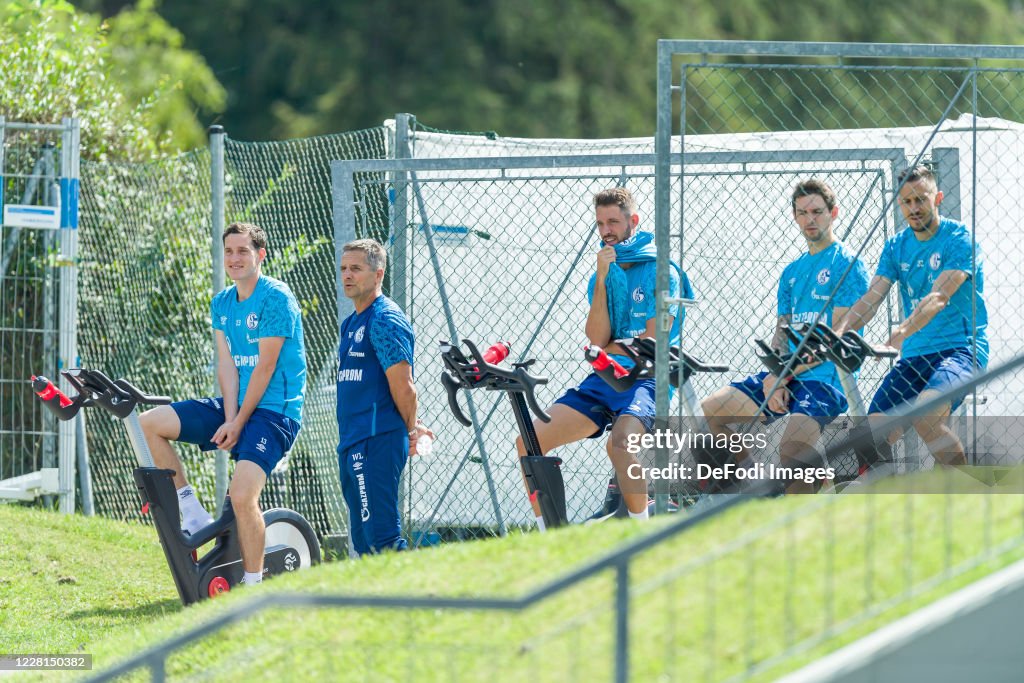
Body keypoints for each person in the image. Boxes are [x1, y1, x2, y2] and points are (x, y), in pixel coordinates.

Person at [140, 222, 306, 586]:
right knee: (150, 423)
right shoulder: (221, 303)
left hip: (275, 412)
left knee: (242, 495)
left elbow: (264, 367)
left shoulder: (277, 297)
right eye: (229, 251)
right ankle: (191, 510)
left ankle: (252, 586)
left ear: (261, 255)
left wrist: (240, 421)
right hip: (238, 405)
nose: (234, 258)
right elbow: (227, 365)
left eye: (243, 251)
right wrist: (230, 418)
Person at [515, 187, 689, 527]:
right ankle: (549, 536)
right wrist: (602, 281)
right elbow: (596, 338)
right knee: (528, 442)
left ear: (633, 221)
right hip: (605, 377)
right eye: (600, 223)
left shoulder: (662, 271)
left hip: (648, 379)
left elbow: (651, 343)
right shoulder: (603, 271)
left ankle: (641, 532)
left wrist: (613, 345)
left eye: (613, 221)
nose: (606, 230)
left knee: (620, 445)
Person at [700, 179, 869, 493]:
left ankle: (806, 513)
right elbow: (782, 332)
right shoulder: (792, 271)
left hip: (825, 379)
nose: (810, 219)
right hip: (787, 374)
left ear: (834, 213)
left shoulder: (847, 265)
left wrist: (783, 377)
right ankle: (756, 486)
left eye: (817, 211)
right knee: (714, 408)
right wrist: (777, 374)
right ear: (795, 217)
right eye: (802, 212)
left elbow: (833, 342)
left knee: (792, 453)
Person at [834, 165, 988, 467]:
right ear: (899, 203)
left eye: (921, 199)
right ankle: (884, 503)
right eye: (907, 201)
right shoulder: (895, 246)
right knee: (870, 434)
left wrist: (902, 332)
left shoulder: (959, 238)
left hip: (961, 351)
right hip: (915, 357)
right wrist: (837, 333)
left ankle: (968, 494)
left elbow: (938, 297)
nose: (914, 208)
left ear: (938, 198)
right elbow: (872, 297)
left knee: (927, 417)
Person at [336, 238, 433, 555]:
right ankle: (378, 604)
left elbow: (404, 385)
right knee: (364, 542)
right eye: (344, 268)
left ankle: (423, 600)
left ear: (378, 275)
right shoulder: (350, 323)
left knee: (383, 540)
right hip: (352, 440)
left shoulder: (384, 318)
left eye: (356, 269)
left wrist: (410, 429)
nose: (348, 275)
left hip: (375, 440)